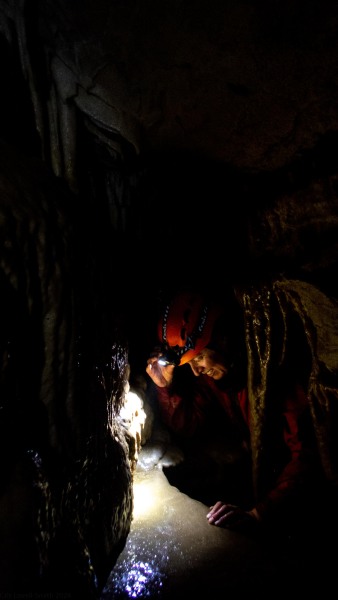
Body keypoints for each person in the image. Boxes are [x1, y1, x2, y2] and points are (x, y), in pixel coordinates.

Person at [145, 285, 338, 542]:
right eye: (190, 364)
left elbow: (308, 456)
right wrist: (164, 389)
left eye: (199, 358)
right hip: (261, 478)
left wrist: (260, 515)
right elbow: (188, 425)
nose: (197, 371)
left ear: (222, 339)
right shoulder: (219, 379)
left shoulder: (277, 377)